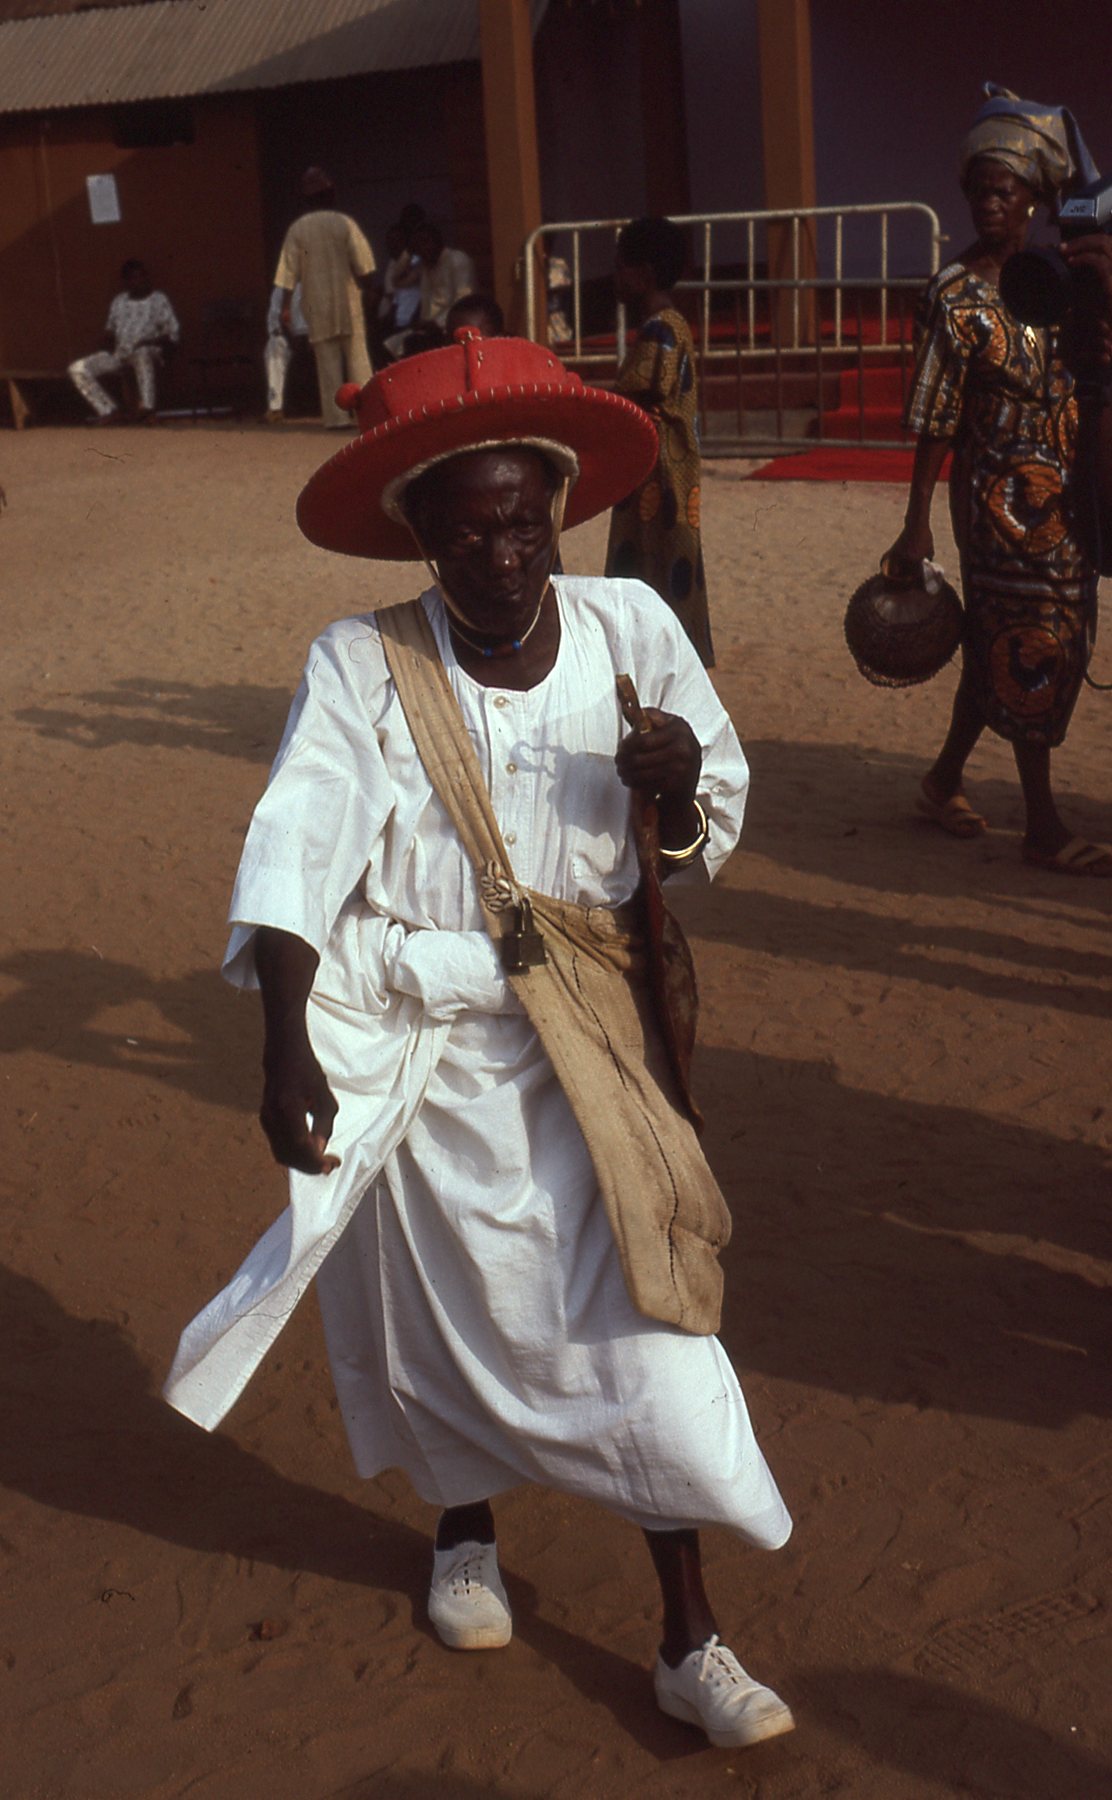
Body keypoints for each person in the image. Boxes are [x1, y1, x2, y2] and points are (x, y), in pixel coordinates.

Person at [164, 329, 795, 1751]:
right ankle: (464, 1533)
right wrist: (284, 1046)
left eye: (525, 525)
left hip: (590, 1044)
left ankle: (689, 1632)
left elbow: (700, 826)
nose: (504, 557)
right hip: (419, 1050)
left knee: (649, 1324)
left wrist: (675, 786)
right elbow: (298, 850)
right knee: (439, 1322)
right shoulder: (363, 662)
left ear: (559, 510)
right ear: (422, 538)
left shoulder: (631, 631)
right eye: (468, 534)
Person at [885, 85, 1112, 874]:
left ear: (1034, 200)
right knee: (1030, 639)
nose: (989, 203)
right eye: (979, 190)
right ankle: (1042, 825)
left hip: (1071, 496)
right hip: (993, 506)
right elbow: (936, 420)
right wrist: (916, 521)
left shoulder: (1068, 282)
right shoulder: (954, 295)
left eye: (1004, 191)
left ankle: (942, 779)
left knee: (1021, 638)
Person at [605, 217, 713, 667]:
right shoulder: (670, 323)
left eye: (621, 266)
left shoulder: (660, 329)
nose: (615, 276)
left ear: (644, 274)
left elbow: (637, 391)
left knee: (654, 558)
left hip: (660, 469)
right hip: (669, 466)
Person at [273, 167, 375, 429]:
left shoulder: (298, 229)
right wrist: (370, 290)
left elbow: (288, 272)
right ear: (331, 195)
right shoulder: (345, 223)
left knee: (327, 363)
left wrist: (286, 306)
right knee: (358, 359)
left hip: (316, 304)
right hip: (348, 302)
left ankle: (336, 418)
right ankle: (367, 414)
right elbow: (364, 267)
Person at [68, 258, 179, 424]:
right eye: (134, 278)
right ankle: (109, 411)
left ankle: (147, 409)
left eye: (142, 276)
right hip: (121, 353)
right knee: (77, 368)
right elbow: (110, 330)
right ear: (126, 282)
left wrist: (147, 342)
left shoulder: (158, 299)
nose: (140, 281)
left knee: (141, 353)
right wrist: (106, 346)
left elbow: (172, 333)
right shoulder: (119, 301)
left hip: (149, 351)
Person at [384, 223, 478, 358]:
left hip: (449, 327)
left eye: (426, 242)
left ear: (438, 241)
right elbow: (397, 281)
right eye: (418, 246)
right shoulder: (425, 265)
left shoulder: (457, 260)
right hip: (426, 328)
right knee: (389, 346)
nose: (423, 248)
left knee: (412, 345)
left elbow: (463, 301)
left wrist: (436, 323)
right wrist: (408, 253)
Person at [263, 282, 309, 422]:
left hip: (319, 337)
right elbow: (274, 323)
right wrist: (289, 337)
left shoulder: (320, 282)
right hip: (290, 336)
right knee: (275, 345)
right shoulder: (281, 288)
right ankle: (275, 408)